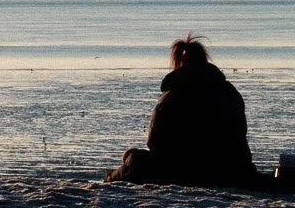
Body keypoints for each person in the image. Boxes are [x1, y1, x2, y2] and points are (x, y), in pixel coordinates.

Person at [106, 35, 262, 189]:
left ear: (180, 64)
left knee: (133, 159)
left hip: (185, 171)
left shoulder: (171, 97)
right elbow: (239, 133)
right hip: (231, 167)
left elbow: (155, 143)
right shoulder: (229, 92)